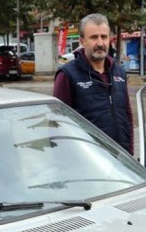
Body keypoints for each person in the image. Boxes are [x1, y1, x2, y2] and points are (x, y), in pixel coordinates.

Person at [53, 13, 134, 154]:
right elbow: (57, 124)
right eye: (94, 37)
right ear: (82, 41)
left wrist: (130, 152)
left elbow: (127, 115)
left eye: (104, 37)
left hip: (121, 160)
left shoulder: (119, 72)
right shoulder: (67, 75)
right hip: (88, 162)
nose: (100, 43)